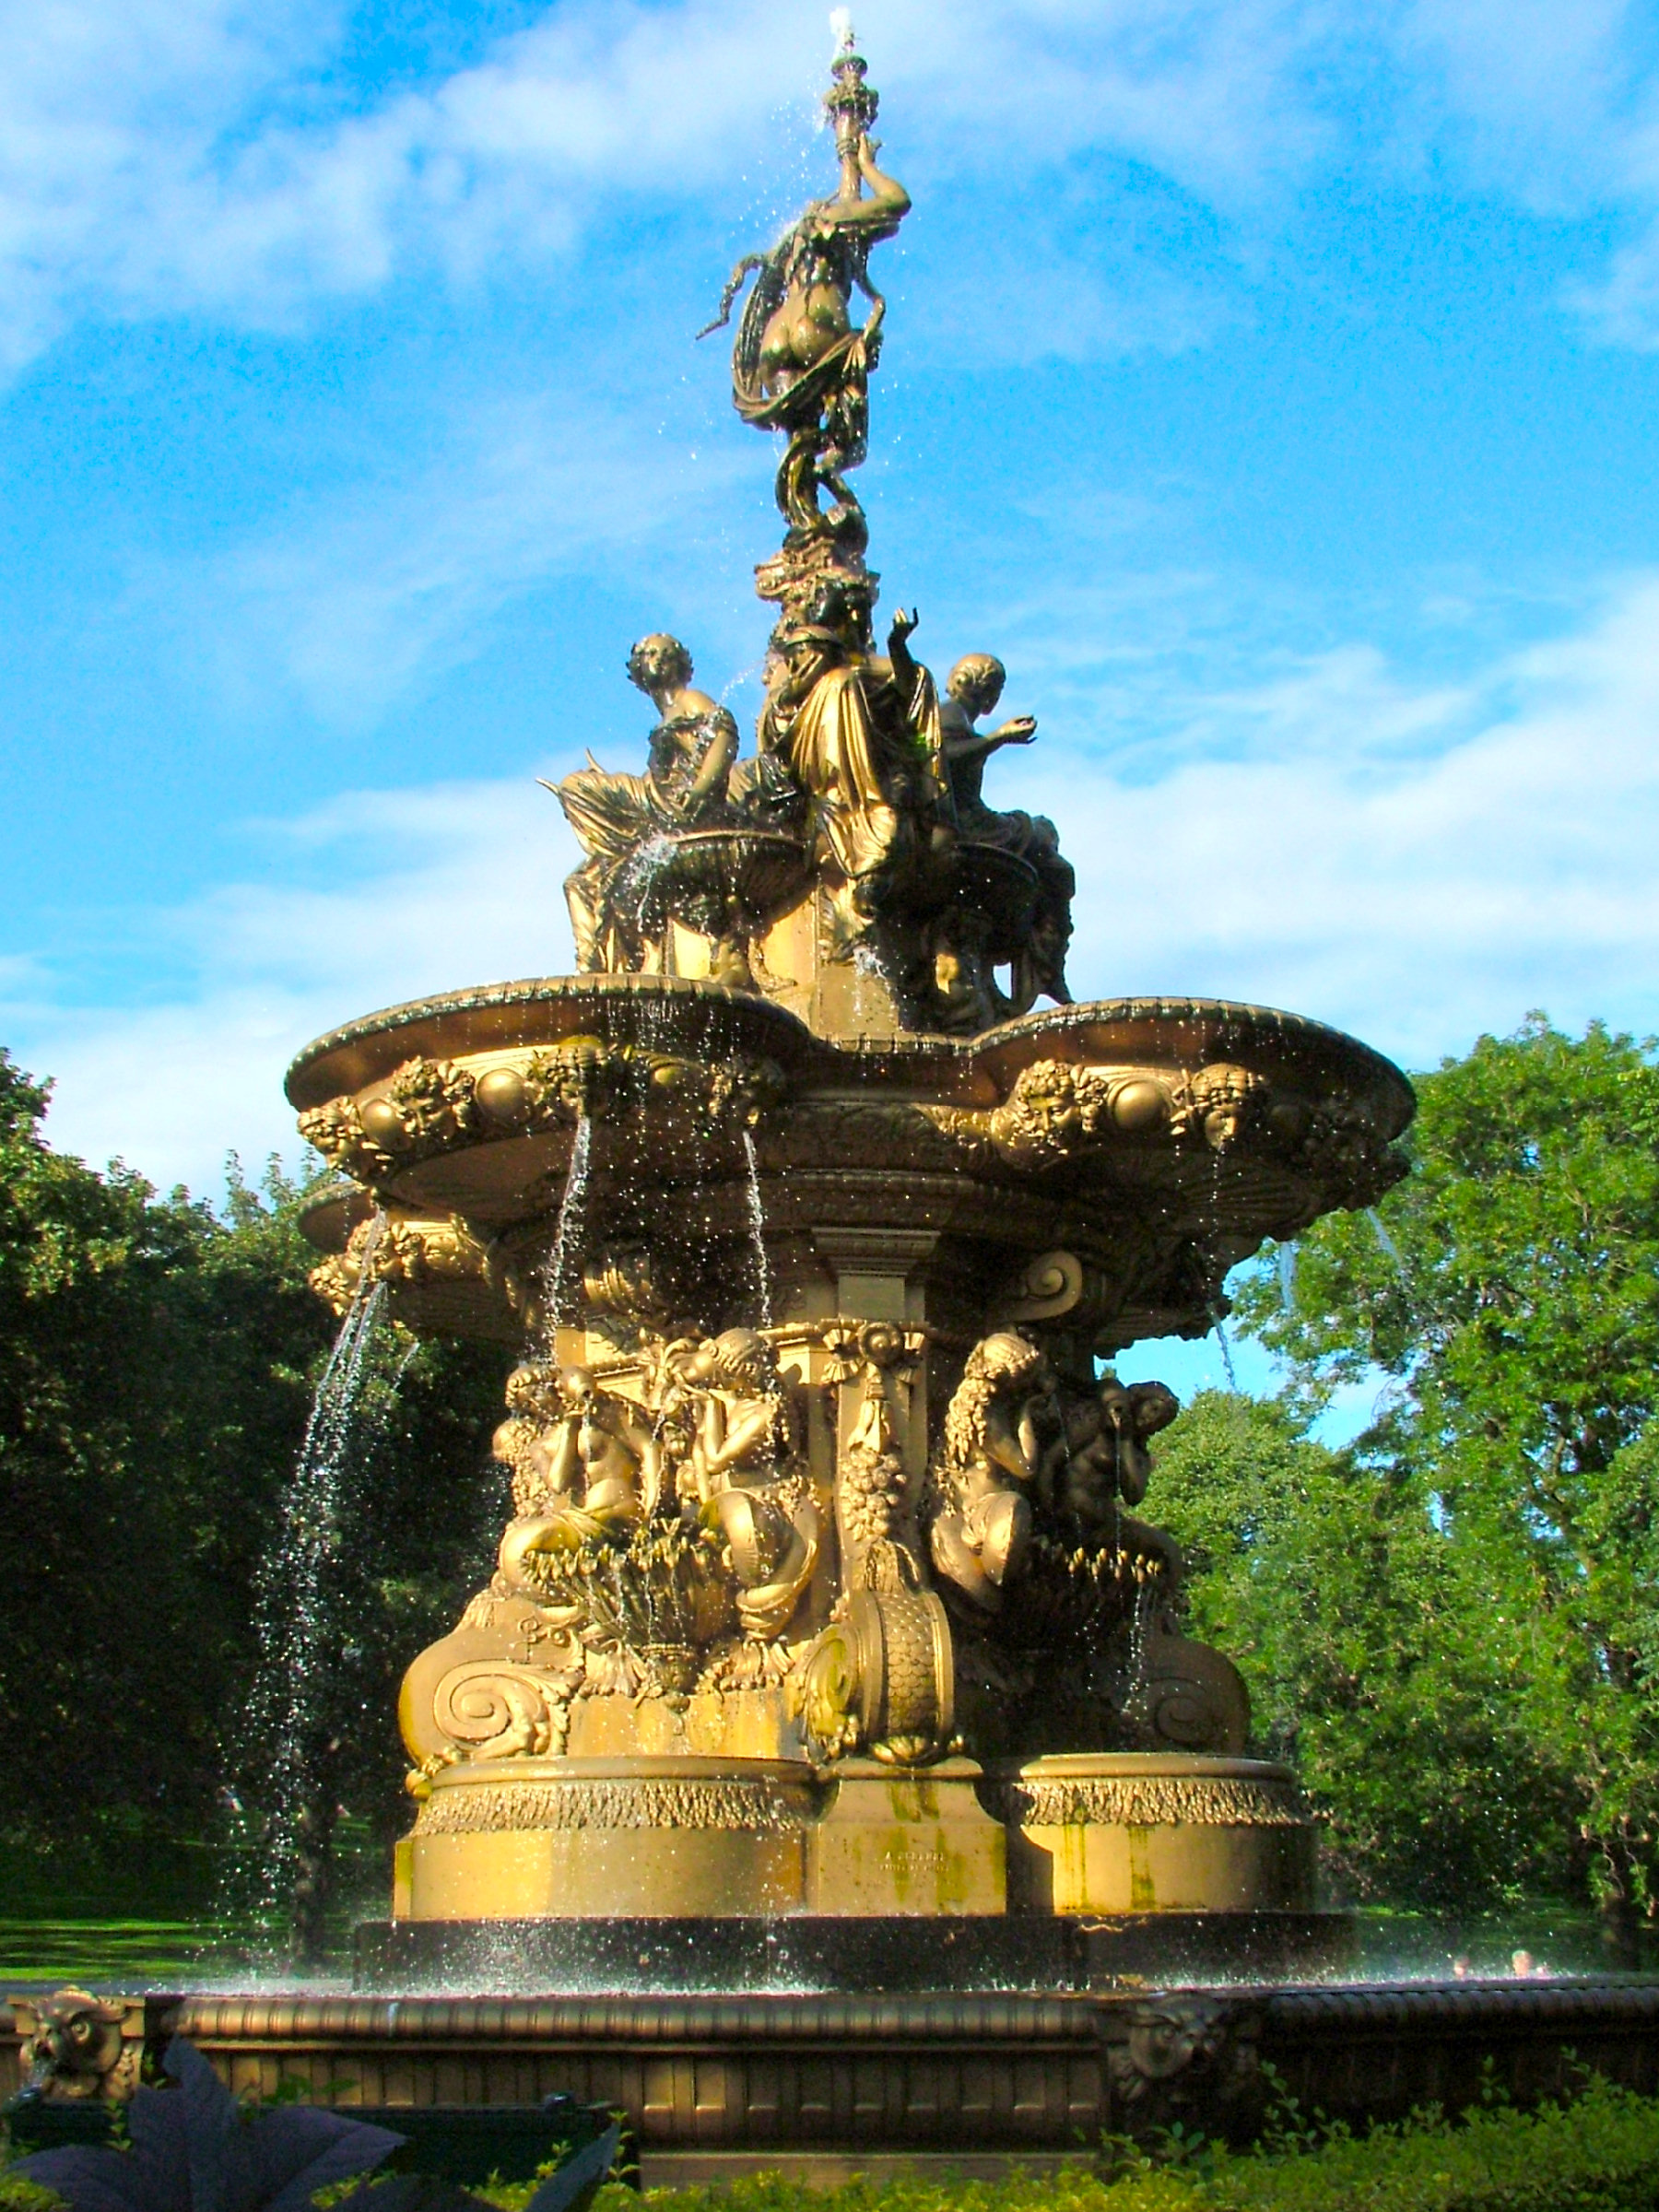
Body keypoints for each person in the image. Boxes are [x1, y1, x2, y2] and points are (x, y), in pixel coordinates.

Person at [556, 635, 738, 970]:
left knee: (575, 786)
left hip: (675, 805)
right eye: (645, 654)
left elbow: (725, 737)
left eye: (661, 653)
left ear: (678, 664)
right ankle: (590, 965)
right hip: (654, 797)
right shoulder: (668, 712)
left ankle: (621, 839)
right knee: (581, 879)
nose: (652, 659)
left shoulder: (691, 699)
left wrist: (699, 790)